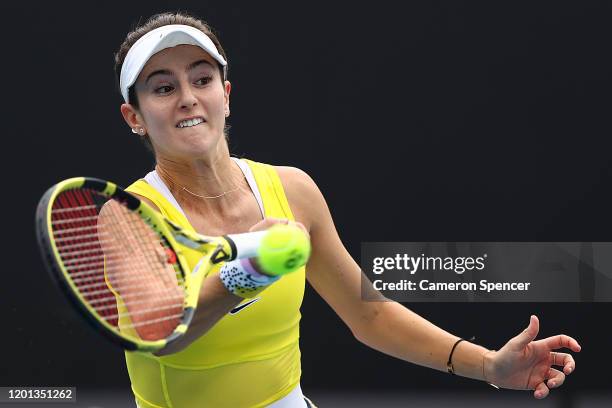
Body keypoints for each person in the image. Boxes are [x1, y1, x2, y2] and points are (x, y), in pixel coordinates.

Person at [114, 11, 581, 408]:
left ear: (226, 93)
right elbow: (162, 334)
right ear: (134, 117)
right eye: (163, 87)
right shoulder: (127, 214)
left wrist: (490, 366)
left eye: (201, 78)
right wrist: (244, 272)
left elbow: (369, 316)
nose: (188, 97)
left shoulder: (293, 190)